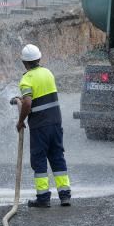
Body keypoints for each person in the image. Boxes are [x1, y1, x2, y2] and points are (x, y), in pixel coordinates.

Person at [15, 44, 71, 207]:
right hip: (55, 122)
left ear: (24, 63)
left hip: (40, 126)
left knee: (39, 159)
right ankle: (65, 195)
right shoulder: (48, 73)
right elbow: (41, 95)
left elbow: (28, 103)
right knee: (57, 156)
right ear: (39, 58)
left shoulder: (27, 79)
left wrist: (20, 121)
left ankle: (43, 198)